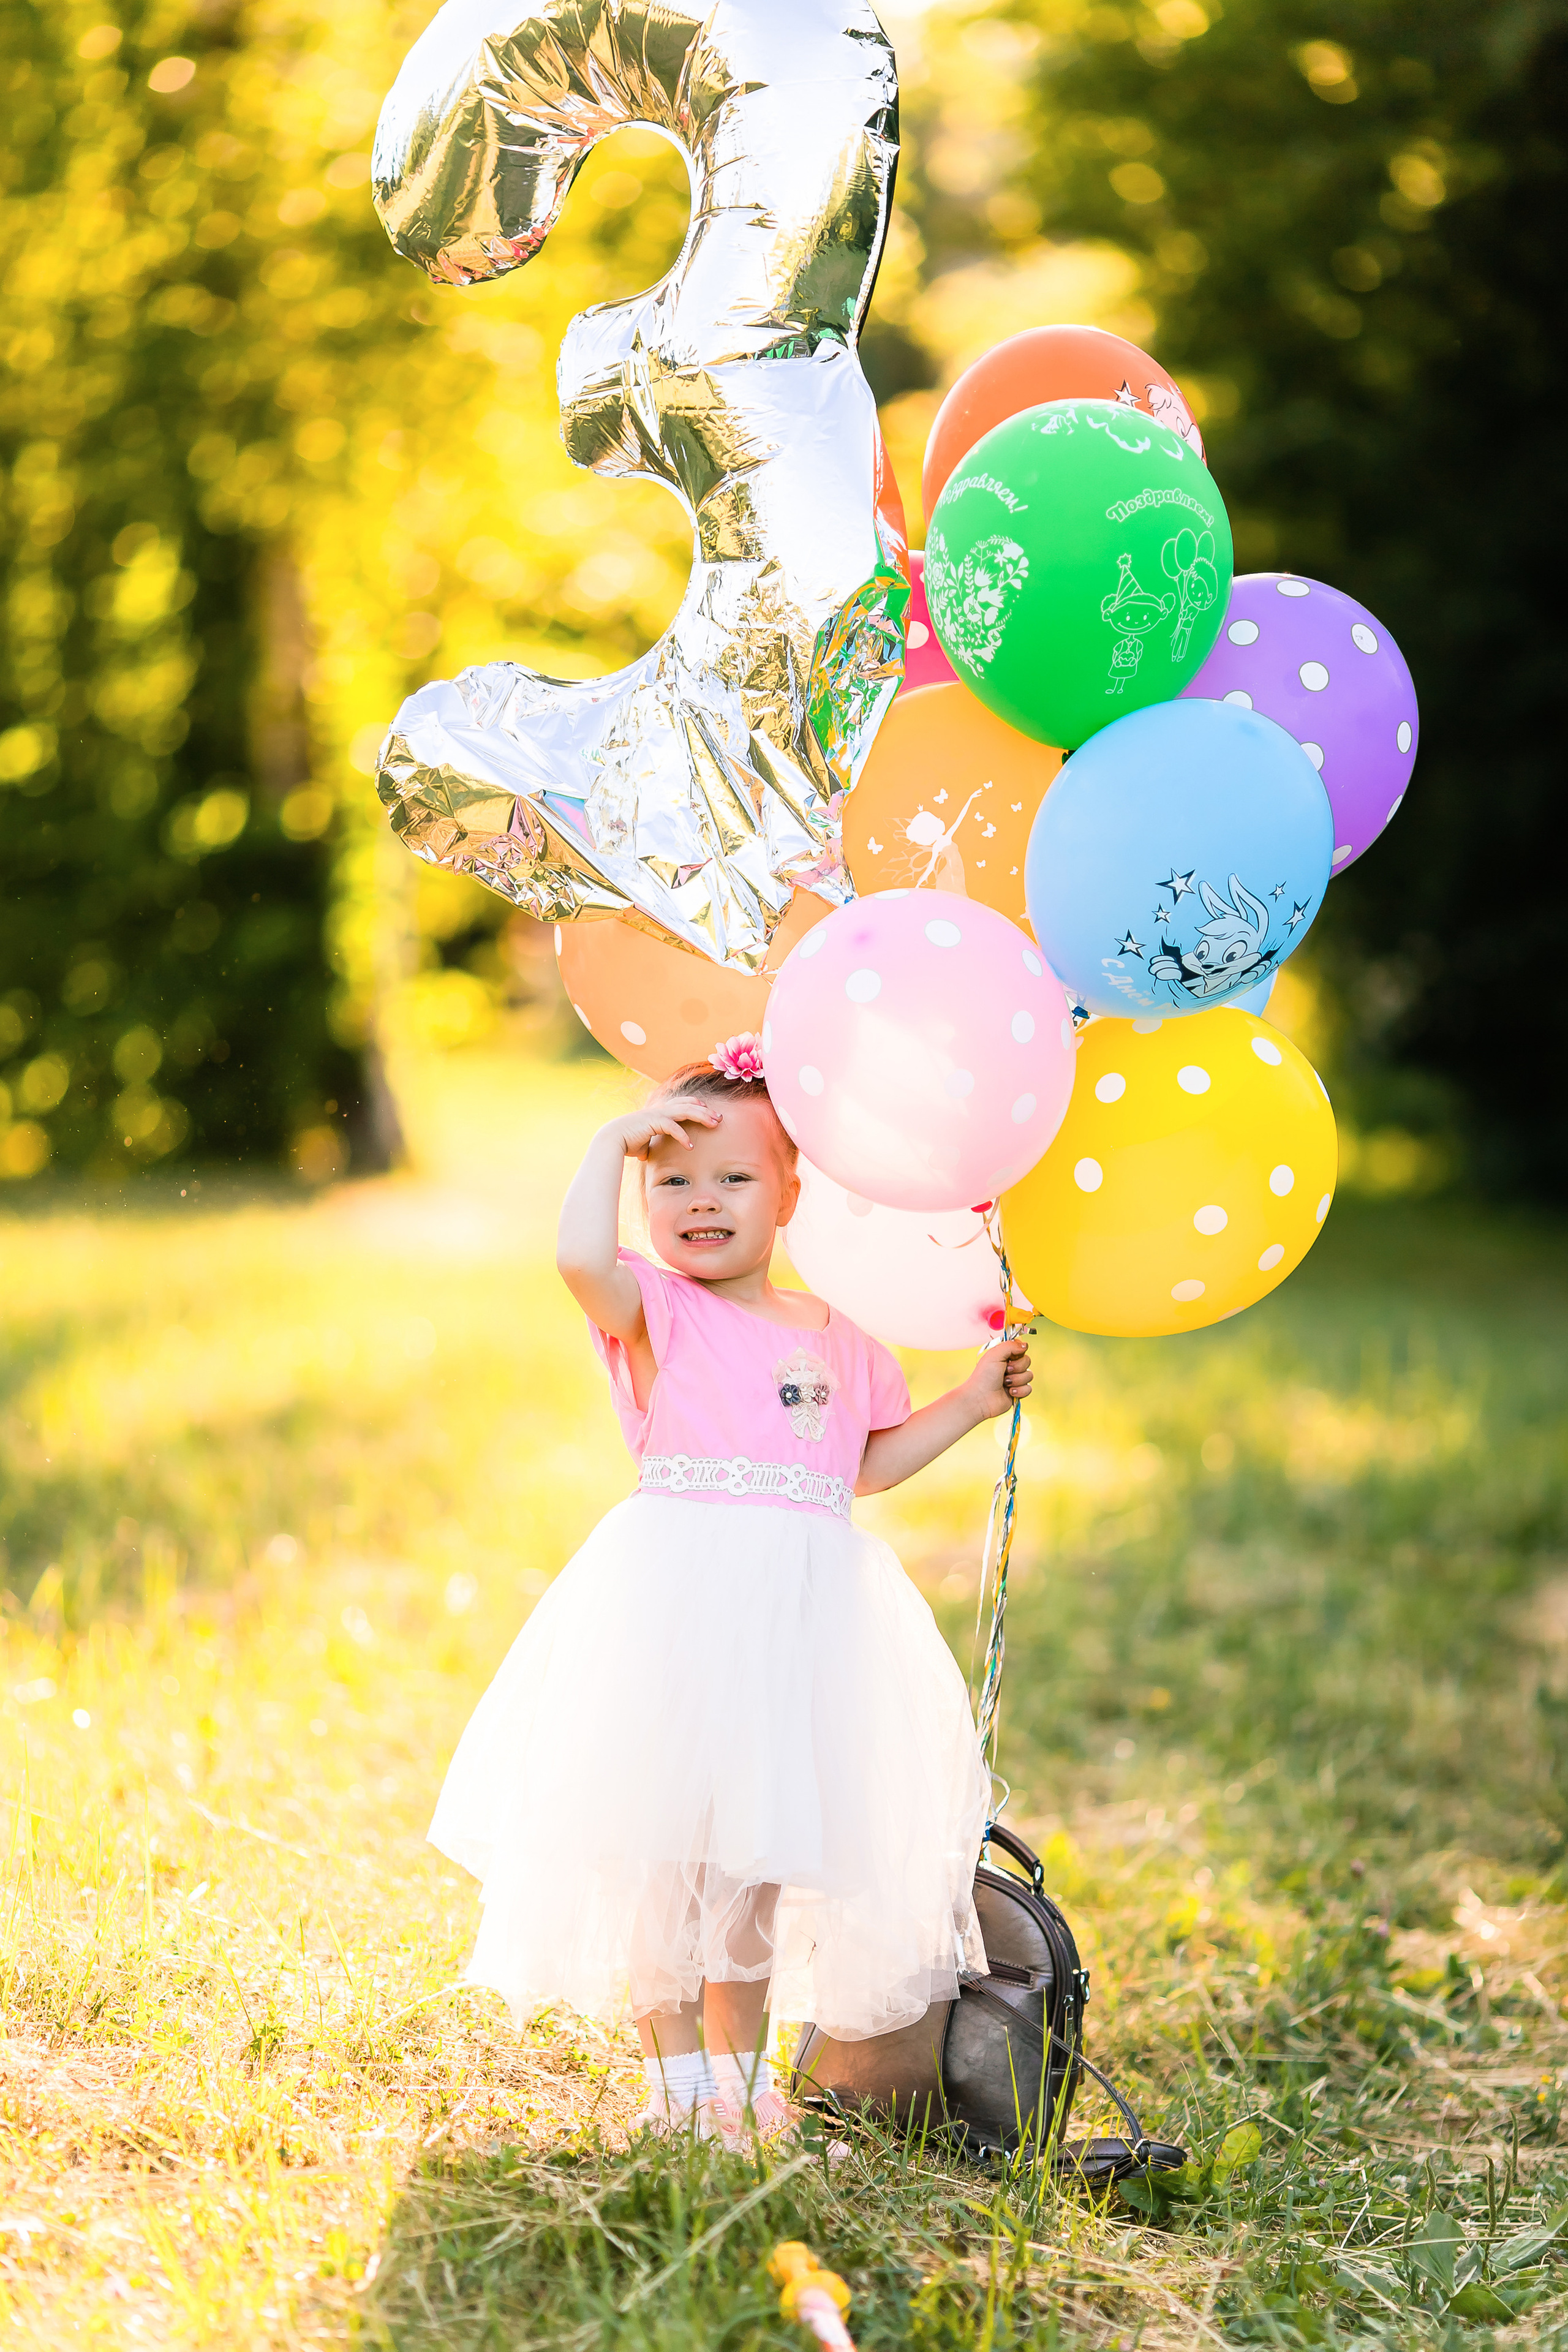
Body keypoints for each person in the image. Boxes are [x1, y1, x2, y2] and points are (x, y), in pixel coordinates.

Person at [428, 1036, 1032, 2146]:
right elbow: (575, 1260)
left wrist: (974, 1399)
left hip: (799, 1622)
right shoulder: (656, 1308)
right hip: (679, 1610)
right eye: (671, 1180)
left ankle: (739, 2079)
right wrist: (611, 1142)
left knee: (753, 1865)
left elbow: (868, 1463)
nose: (700, 1201)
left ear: (792, 1192)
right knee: (669, 1856)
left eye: (733, 1177)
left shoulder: (840, 1336)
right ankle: (676, 2086)